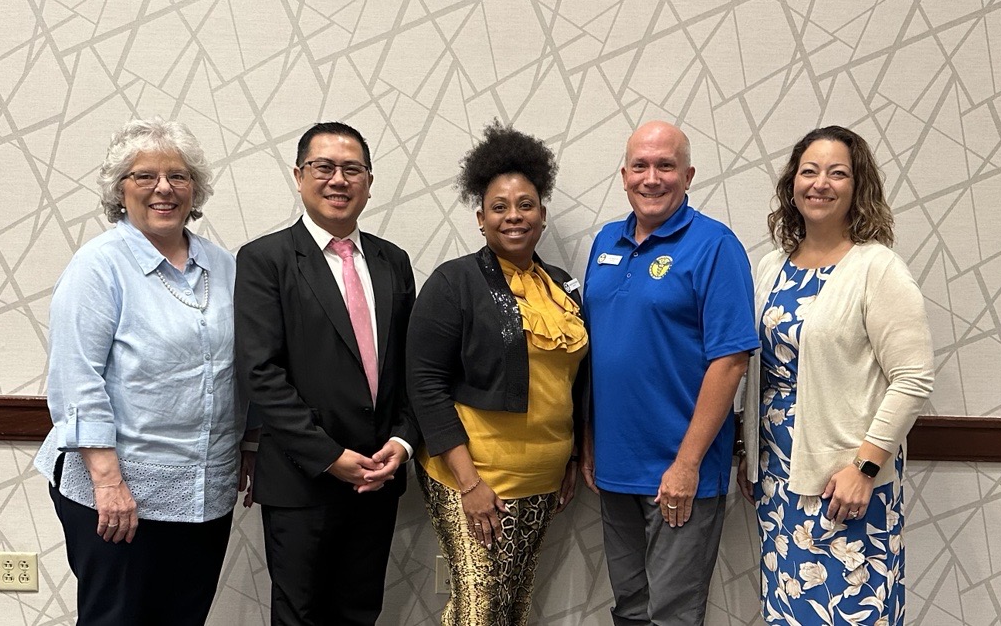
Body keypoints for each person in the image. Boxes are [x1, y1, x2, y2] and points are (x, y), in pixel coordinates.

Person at [33, 117, 252, 625]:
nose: (163, 188)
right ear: (119, 190)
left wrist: (253, 440)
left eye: (178, 176)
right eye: (144, 175)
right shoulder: (98, 266)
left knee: (184, 616)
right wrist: (108, 482)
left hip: (204, 489)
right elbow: (77, 378)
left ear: (194, 189)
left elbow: (249, 362)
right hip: (116, 489)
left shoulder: (225, 267)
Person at [736, 125, 934, 625]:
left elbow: (912, 378)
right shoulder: (771, 267)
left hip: (845, 481)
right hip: (778, 475)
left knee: (847, 611)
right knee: (786, 608)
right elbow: (757, 368)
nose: (820, 183)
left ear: (857, 186)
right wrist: (749, 452)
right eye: (809, 171)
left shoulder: (878, 268)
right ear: (792, 184)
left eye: (837, 173)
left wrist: (864, 469)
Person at [235, 121, 418, 626]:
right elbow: (261, 373)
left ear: (369, 181)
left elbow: (410, 368)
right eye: (324, 167)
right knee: (300, 616)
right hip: (302, 481)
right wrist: (330, 456)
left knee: (360, 613)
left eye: (352, 169)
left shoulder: (392, 261)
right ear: (299, 176)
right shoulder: (264, 260)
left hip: (378, 477)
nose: (339, 179)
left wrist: (401, 444)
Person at [407, 121, 588, 626]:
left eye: (525, 204)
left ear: (543, 215)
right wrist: (469, 482)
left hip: (543, 477)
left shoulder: (562, 287)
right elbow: (424, 384)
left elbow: (571, 384)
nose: (514, 216)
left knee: (512, 605)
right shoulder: (454, 282)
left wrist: (572, 456)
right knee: (478, 610)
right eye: (499, 206)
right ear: (481, 218)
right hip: (475, 474)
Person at [581, 120, 759, 626]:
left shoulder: (715, 246)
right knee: (631, 609)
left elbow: (730, 362)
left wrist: (686, 465)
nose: (652, 178)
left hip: (679, 472)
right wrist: (590, 438)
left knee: (673, 614)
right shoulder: (605, 243)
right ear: (623, 174)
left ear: (688, 175)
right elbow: (600, 351)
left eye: (665, 165)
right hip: (615, 466)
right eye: (641, 165)